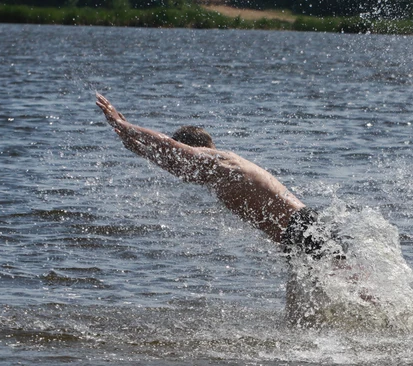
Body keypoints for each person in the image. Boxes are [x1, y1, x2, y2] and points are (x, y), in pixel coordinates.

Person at [96, 93, 334, 258]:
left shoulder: (217, 160)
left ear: (194, 150)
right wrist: (129, 140)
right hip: (291, 243)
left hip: (304, 227)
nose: (180, 170)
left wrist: (125, 125)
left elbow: (167, 145)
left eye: (183, 159)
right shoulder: (212, 175)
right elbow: (164, 158)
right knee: (299, 316)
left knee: (356, 286)